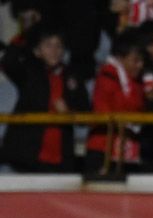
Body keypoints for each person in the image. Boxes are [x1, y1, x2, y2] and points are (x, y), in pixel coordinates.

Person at [0, 27, 90, 173]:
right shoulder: (29, 71)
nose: (54, 50)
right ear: (38, 50)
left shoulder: (73, 76)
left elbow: (86, 116)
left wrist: (69, 113)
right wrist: (25, 33)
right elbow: (8, 61)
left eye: (58, 45)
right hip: (25, 159)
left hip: (60, 161)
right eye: (48, 45)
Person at [85, 29, 147, 177]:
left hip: (127, 149)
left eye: (142, 60)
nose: (140, 65)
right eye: (135, 60)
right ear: (120, 58)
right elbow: (104, 110)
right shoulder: (106, 77)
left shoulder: (138, 83)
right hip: (103, 149)